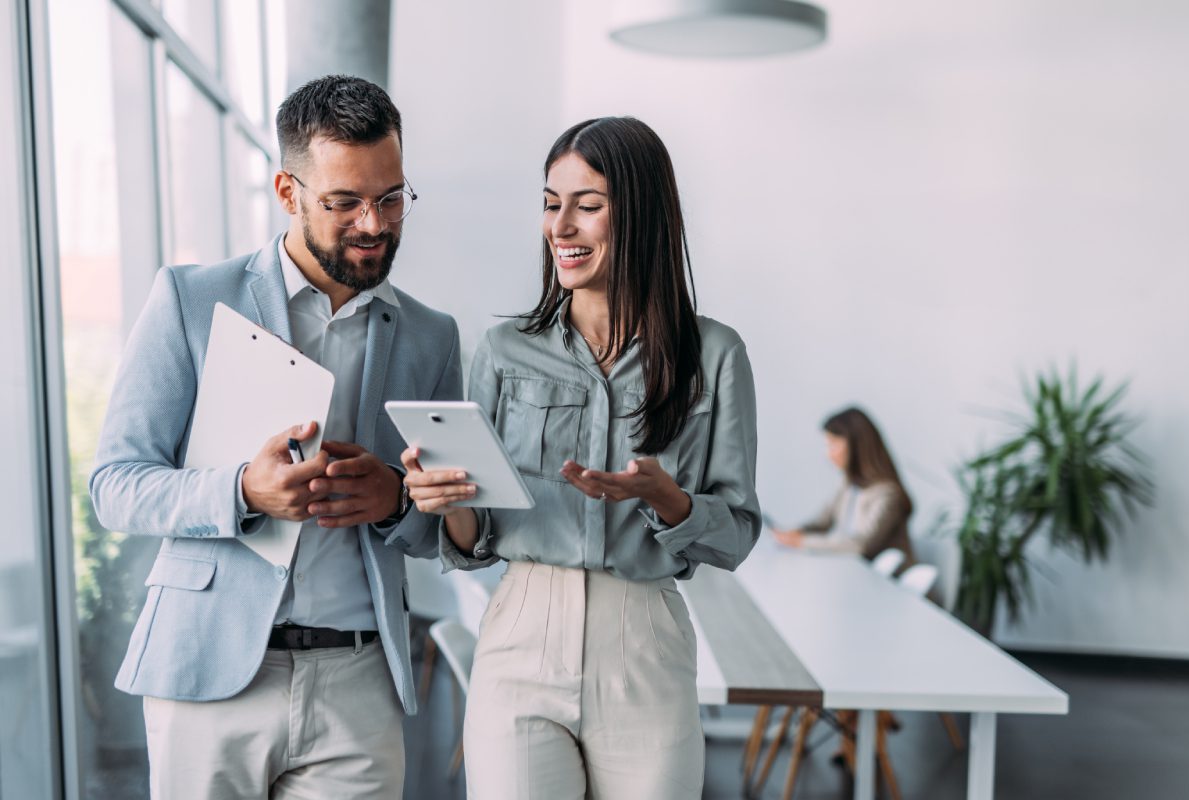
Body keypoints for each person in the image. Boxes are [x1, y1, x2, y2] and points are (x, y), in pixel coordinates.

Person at [89, 75, 460, 799]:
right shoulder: (191, 301)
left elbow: (443, 528)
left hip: (359, 684)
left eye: (390, 197)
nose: (374, 225)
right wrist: (241, 490)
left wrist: (394, 500)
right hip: (210, 673)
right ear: (288, 193)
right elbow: (116, 486)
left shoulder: (430, 336)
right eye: (344, 202)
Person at [402, 117, 761, 798]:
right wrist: (445, 502)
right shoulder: (506, 352)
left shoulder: (714, 356)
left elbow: (737, 531)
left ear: (644, 216)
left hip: (644, 645)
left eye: (587, 206)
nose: (559, 226)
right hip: (520, 636)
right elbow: (476, 540)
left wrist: (667, 500)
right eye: (550, 202)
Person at [772, 406, 914, 562]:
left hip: (886, 582)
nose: (828, 454)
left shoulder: (888, 494)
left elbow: (862, 545)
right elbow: (822, 522)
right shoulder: (850, 487)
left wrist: (802, 542)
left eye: (833, 444)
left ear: (856, 446)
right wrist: (796, 532)